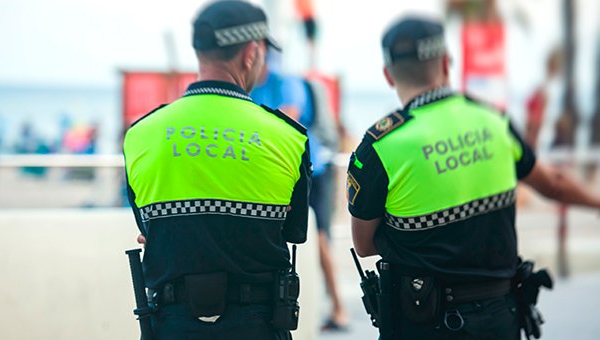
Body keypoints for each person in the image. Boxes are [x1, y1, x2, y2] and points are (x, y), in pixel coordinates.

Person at [347, 16, 600, 339]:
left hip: (421, 320)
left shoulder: (380, 147)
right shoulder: (493, 121)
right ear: (446, 63)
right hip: (499, 316)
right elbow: (554, 185)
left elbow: (364, 245)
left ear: (388, 75)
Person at [123, 1, 311, 339]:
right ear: (251, 53)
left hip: (170, 325)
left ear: (199, 51)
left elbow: (149, 230)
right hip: (259, 325)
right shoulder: (288, 137)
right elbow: (294, 232)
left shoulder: (140, 134)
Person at [251, 53, 348, 331]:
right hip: (280, 170)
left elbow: (289, 118)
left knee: (319, 238)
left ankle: (339, 308)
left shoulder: (286, 82)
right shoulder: (254, 87)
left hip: (312, 171)